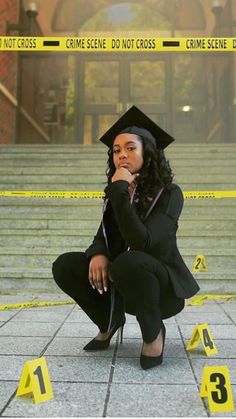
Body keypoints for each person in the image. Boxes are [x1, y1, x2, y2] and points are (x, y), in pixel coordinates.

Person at [52, 106, 200, 370]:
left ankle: (154, 334)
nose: (122, 155)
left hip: (159, 287)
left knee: (129, 262)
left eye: (131, 148)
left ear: (149, 153)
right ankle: (108, 322)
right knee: (65, 264)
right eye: (117, 150)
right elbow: (104, 232)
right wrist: (98, 253)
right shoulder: (118, 191)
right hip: (122, 279)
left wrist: (119, 192)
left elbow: (143, 241)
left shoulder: (170, 194)